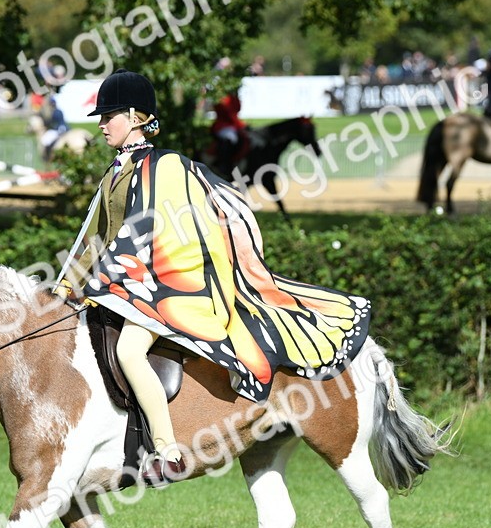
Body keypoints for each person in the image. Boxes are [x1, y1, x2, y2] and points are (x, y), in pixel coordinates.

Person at [54, 69, 370, 487]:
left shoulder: (166, 166)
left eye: (108, 115)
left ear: (133, 116)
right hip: (121, 287)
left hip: (164, 286)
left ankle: (164, 449)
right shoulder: (114, 172)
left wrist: (117, 279)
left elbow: (160, 236)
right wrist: (63, 289)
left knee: (130, 350)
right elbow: (93, 237)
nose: (100, 124)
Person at [210, 90, 247, 177]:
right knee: (230, 138)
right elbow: (229, 114)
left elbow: (236, 110)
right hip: (223, 126)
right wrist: (241, 125)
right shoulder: (222, 98)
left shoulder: (233, 97)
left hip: (232, 125)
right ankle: (224, 165)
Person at [39, 95, 69, 162]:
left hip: (57, 129)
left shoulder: (53, 112)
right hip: (65, 128)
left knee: (45, 140)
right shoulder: (59, 110)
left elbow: (51, 122)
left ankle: (47, 156)